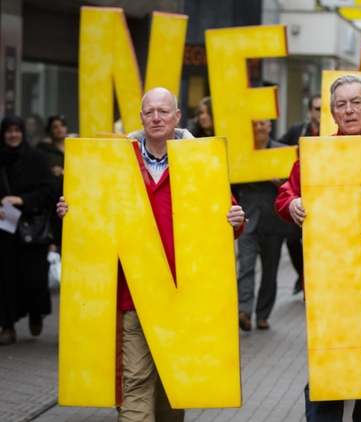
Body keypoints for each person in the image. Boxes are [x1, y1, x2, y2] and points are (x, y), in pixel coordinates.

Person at [57, 87, 245, 421]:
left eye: (163, 111)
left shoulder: (202, 161)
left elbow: (223, 214)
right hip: (134, 294)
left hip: (182, 296)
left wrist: (235, 220)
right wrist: (72, 211)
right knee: (136, 381)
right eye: (149, 112)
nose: (156, 118)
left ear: (177, 117)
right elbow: (94, 212)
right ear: (141, 118)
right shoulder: (118, 162)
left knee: (173, 388)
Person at [275, 74, 361, 422]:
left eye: (356, 102)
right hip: (332, 289)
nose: (349, 110)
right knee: (327, 377)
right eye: (341, 105)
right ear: (332, 114)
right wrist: (291, 205)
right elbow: (286, 194)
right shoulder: (316, 155)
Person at [0, 116, 57, 345]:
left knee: (34, 279)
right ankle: (8, 326)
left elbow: (49, 190)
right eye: (8, 131)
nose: (13, 135)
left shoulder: (35, 158)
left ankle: (36, 314)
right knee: (5, 279)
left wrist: (22, 200)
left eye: (17, 130)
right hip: (5, 232)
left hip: (31, 232)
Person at [234, 119, 289, 331]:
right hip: (248, 218)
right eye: (255, 124)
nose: (259, 128)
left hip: (273, 219)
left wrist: (280, 183)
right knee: (246, 266)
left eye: (263, 124)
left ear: (270, 126)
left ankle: (263, 314)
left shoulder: (282, 152)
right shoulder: (242, 152)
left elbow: (293, 186)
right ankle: (245, 311)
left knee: (270, 269)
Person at [278, 94, 321, 294]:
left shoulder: (332, 134)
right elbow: (277, 148)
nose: (320, 113)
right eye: (316, 109)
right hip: (302, 198)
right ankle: (301, 274)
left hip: (326, 200)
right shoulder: (298, 130)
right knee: (293, 240)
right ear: (310, 111)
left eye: (323, 109)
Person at [37, 115, 68, 252]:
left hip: (69, 193)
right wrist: (51, 172)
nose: (59, 129)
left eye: (61, 125)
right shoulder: (43, 150)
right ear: (50, 130)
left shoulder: (74, 146)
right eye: (55, 127)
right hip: (51, 196)